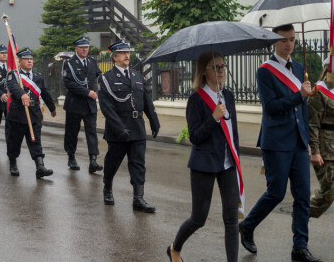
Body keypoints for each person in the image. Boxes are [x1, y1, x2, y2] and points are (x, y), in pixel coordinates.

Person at [238, 24, 321, 262]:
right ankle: (248, 225)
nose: (289, 44)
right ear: (274, 42)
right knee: (276, 193)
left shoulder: (299, 68)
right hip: (276, 140)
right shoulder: (264, 71)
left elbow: (303, 111)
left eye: (293, 39)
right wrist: (299, 95)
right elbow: (272, 107)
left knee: (303, 195)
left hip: (297, 141)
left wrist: (308, 142)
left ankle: (300, 247)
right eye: (284, 40)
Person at [168, 51, 242, 262]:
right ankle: (175, 248)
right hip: (204, 165)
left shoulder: (228, 96)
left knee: (231, 220)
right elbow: (195, 137)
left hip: (228, 164)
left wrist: (236, 158)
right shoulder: (196, 99)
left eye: (222, 66)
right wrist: (213, 118)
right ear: (204, 71)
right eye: (215, 67)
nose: (220, 71)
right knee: (198, 218)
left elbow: (233, 131)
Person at [98, 39, 160, 213]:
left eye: (128, 53)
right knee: (113, 162)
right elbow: (107, 107)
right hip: (118, 129)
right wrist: (119, 127)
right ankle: (108, 187)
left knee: (138, 163)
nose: (127, 56)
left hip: (137, 126)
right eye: (123, 53)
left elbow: (146, 100)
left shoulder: (137, 76)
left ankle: (138, 199)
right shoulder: (106, 78)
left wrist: (154, 120)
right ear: (115, 57)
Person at [6, 48, 56, 178]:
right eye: (26, 59)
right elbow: (13, 87)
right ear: (20, 61)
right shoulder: (14, 75)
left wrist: (52, 108)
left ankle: (40, 166)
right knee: (14, 141)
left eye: (31, 59)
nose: (29, 61)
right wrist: (22, 94)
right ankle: (13, 164)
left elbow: (44, 92)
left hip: (33, 113)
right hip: (18, 114)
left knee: (35, 141)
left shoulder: (38, 76)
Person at [62, 37, 103, 173]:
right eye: (82, 47)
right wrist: (87, 92)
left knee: (92, 132)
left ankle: (93, 161)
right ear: (76, 49)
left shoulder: (92, 61)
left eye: (86, 47)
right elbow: (69, 83)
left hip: (90, 104)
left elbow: (99, 76)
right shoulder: (69, 63)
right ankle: (71, 157)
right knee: (72, 132)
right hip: (75, 104)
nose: (85, 49)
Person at [307, 59, 334, 218]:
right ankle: (302, 214)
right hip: (327, 151)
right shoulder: (319, 92)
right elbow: (312, 124)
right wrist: (315, 152)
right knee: (329, 192)